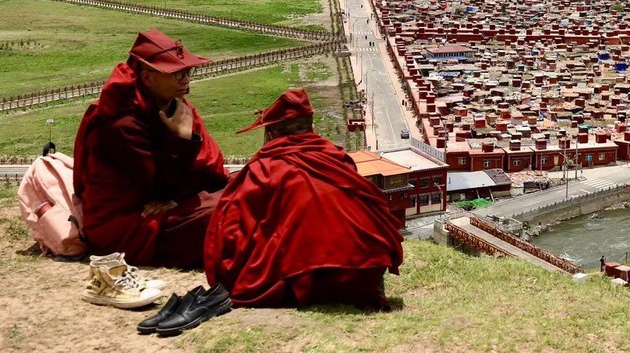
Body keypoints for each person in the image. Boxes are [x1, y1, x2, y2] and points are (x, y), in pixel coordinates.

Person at [204, 89, 403, 309]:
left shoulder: (264, 168)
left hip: (314, 280)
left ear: (271, 133)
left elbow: (232, 231)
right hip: (366, 273)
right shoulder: (339, 159)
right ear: (311, 128)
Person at [73, 30, 227, 267]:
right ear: (147, 78)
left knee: (244, 186)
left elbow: (211, 171)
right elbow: (158, 189)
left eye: (188, 71)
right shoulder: (122, 122)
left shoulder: (173, 105)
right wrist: (184, 138)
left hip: (170, 201)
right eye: (177, 73)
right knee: (222, 210)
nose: (186, 79)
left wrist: (179, 196)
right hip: (128, 224)